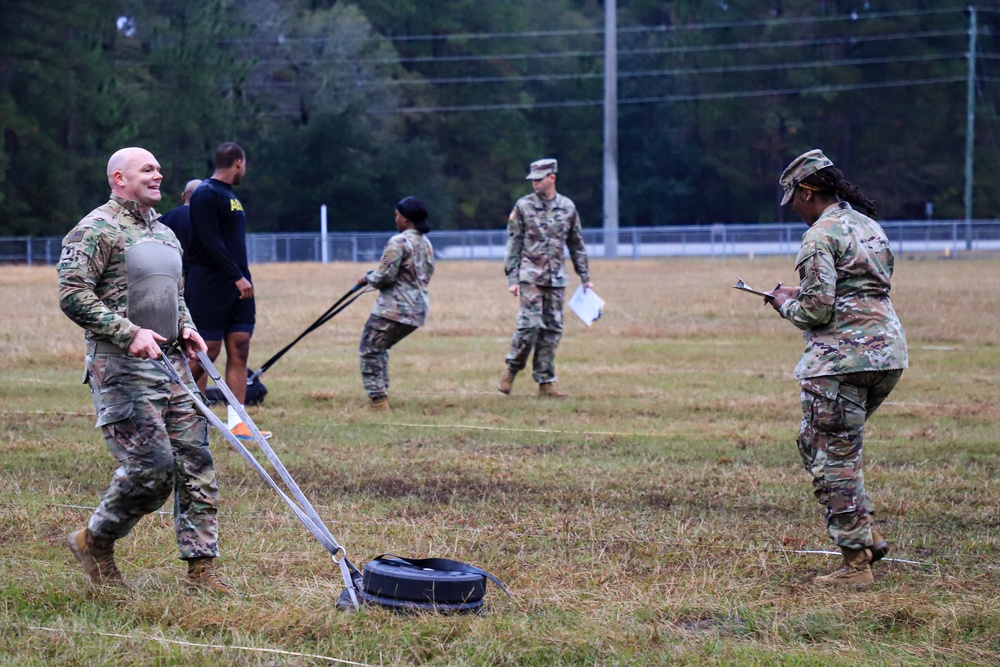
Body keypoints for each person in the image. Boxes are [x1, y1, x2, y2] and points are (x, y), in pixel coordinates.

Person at [57, 147, 232, 594]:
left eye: (158, 168)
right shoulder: (96, 228)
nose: (158, 175)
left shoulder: (168, 234)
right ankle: (94, 541)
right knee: (152, 468)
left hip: (171, 364)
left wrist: (187, 328)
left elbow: (177, 294)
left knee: (196, 463)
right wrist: (127, 331)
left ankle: (201, 569)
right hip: (121, 366)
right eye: (147, 170)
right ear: (119, 178)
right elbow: (73, 294)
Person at [765, 149, 908, 586]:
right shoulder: (868, 225)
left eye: (795, 201)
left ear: (808, 191)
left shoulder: (818, 235)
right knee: (823, 444)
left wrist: (783, 302)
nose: (794, 211)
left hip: (840, 360)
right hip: (886, 354)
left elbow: (815, 310)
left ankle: (855, 563)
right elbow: (861, 287)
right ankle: (867, 535)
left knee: (832, 459)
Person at [185, 142, 270, 441]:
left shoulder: (231, 196)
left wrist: (241, 277)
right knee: (206, 353)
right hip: (211, 283)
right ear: (237, 162)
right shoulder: (206, 193)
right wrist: (235, 275)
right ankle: (178, 409)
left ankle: (238, 422)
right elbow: (209, 240)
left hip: (239, 284)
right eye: (244, 165)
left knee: (241, 345)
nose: (244, 170)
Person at [497, 158, 593, 397]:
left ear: (552, 178)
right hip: (530, 275)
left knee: (552, 329)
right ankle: (511, 368)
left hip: (557, 278)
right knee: (528, 326)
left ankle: (546, 383)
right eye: (532, 180)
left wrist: (585, 275)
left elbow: (576, 243)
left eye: (539, 179)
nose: (534, 184)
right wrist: (513, 279)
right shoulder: (523, 206)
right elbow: (514, 244)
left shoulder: (568, 207)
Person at [356, 196, 435, 410]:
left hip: (393, 309)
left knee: (369, 348)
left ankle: (378, 400)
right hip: (417, 309)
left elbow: (385, 277)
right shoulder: (425, 243)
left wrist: (368, 277)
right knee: (379, 347)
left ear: (406, 218)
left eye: (397, 215)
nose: (396, 219)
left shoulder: (398, 242)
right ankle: (381, 395)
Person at [158, 178, 202, 265]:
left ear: (183, 196)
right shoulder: (204, 221)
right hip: (193, 273)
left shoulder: (164, 218)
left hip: (167, 269)